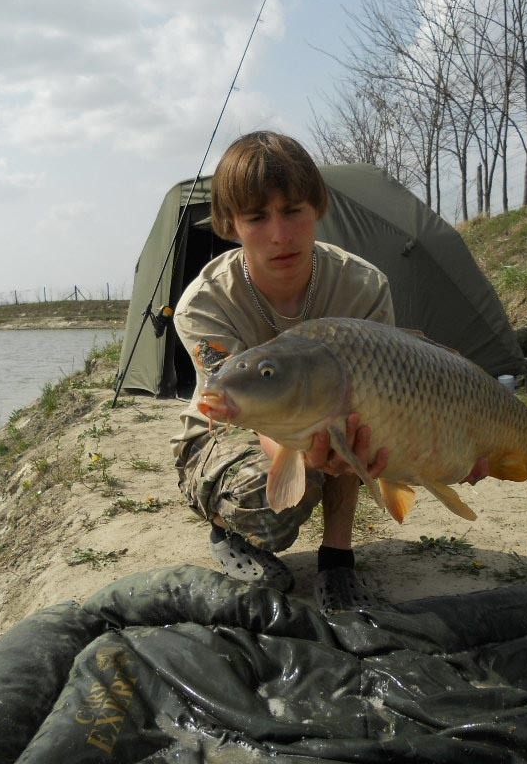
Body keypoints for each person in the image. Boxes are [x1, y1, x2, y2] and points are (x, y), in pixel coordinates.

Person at [171, 130, 486, 613]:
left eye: (293, 210)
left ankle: (337, 558)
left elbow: (383, 404)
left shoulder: (362, 286)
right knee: (264, 495)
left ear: (316, 208)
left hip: (337, 417)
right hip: (227, 433)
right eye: (257, 217)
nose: (281, 235)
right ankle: (229, 530)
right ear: (230, 225)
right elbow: (245, 412)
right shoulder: (203, 305)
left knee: (354, 424)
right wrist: (310, 451)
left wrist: (447, 451)